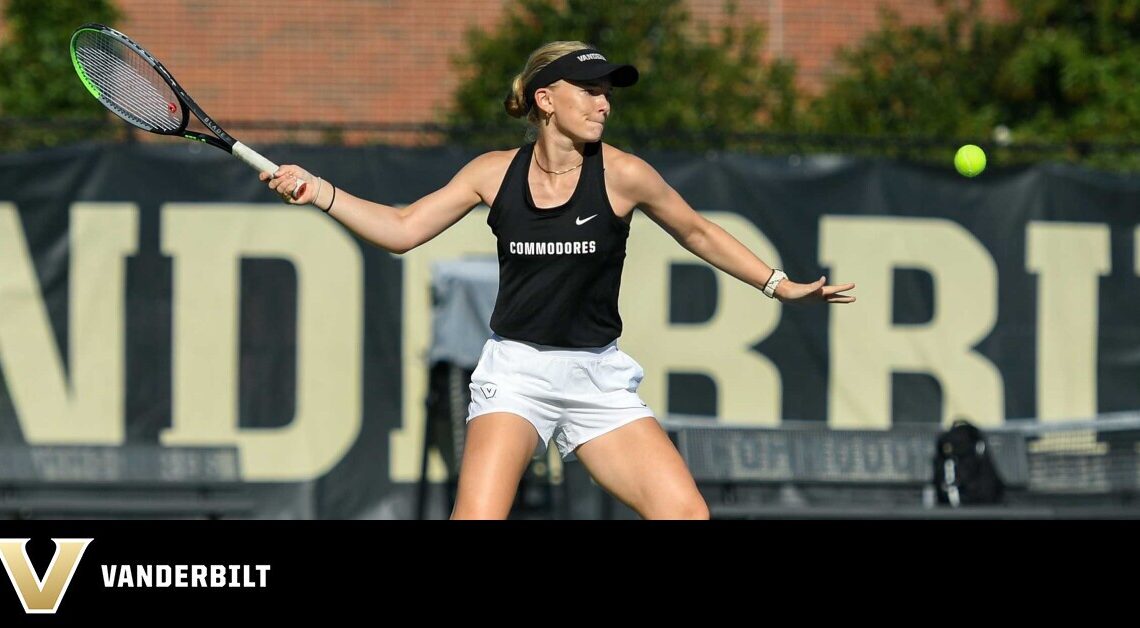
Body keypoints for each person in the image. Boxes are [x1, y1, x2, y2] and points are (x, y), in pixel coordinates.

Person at [261, 41, 856, 520]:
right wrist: (320, 192)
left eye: (607, 94)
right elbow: (400, 228)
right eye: (590, 91)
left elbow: (698, 233)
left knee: (684, 514)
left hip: (597, 378)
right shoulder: (492, 174)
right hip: (516, 372)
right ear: (546, 99)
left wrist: (781, 284)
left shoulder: (624, 175)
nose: (604, 104)